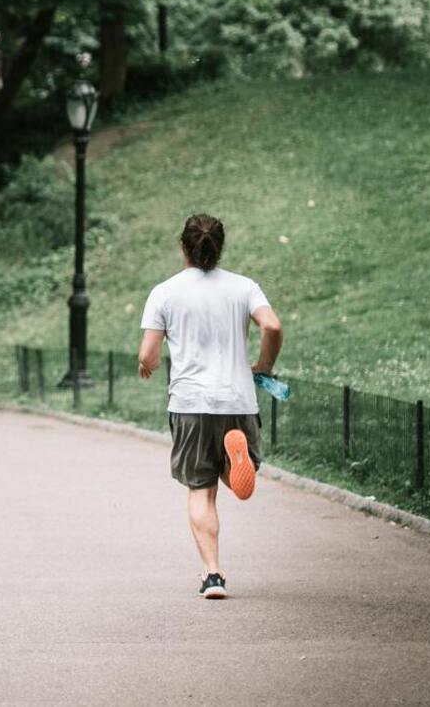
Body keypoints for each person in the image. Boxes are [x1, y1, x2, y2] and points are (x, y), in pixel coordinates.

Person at [137, 213, 284, 600]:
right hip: (237, 399)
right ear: (220, 247)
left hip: (190, 403)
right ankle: (236, 460)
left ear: (182, 246)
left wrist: (146, 366)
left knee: (199, 489)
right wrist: (265, 365)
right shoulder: (244, 287)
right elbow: (272, 326)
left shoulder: (165, 292)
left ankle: (213, 575)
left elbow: (149, 354)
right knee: (231, 475)